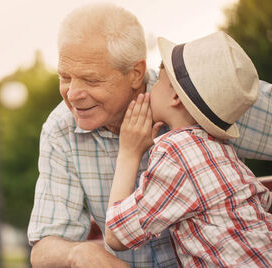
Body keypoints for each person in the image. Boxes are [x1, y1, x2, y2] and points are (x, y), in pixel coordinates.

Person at [27, 3, 272, 267]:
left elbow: (118, 232)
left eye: (91, 80)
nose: (72, 94)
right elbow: (44, 245)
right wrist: (78, 253)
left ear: (135, 74)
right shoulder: (61, 129)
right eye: (64, 77)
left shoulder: (207, 93)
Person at [105, 31, 272, 267]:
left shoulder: (175, 153)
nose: (150, 91)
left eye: (159, 82)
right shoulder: (221, 149)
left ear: (174, 95)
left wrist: (129, 153)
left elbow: (116, 234)